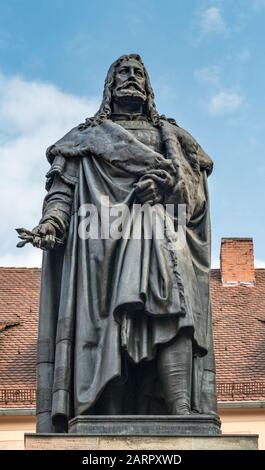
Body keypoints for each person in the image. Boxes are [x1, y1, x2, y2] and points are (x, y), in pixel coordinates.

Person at [20, 54, 218, 432]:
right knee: (101, 323)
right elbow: (63, 190)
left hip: (164, 238)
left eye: (138, 73)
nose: (131, 79)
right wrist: (51, 224)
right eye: (123, 73)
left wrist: (166, 186)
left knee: (174, 308)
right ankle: (100, 413)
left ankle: (181, 405)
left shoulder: (173, 137)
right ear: (110, 85)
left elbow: (195, 196)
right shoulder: (86, 137)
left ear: (148, 86)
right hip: (100, 251)